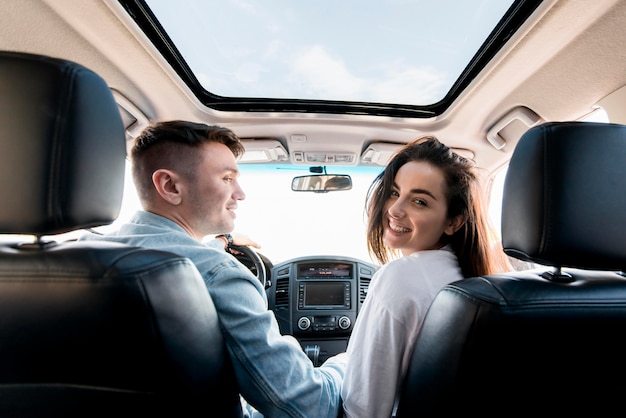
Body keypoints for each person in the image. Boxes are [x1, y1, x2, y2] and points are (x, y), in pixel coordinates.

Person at [79, 120, 346, 418]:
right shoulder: (222, 276)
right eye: (227, 178)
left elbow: (181, 251)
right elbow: (308, 407)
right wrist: (345, 365)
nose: (240, 193)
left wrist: (222, 242)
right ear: (170, 185)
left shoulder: (78, 254)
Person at [341, 136, 510, 418]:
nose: (394, 209)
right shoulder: (487, 279)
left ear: (453, 221)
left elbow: (364, 408)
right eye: (394, 192)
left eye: (419, 201)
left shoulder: (397, 278)